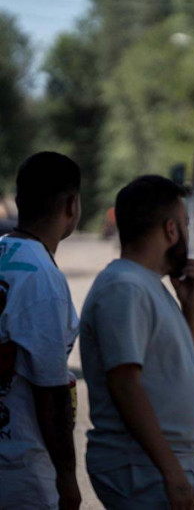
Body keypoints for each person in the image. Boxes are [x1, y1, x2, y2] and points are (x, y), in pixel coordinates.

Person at [80, 175, 194, 510]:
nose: (187, 233)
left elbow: (179, 369)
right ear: (171, 230)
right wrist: (173, 475)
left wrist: (191, 309)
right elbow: (124, 385)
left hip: (154, 464)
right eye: (185, 224)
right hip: (140, 466)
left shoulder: (146, 285)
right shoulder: (125, 288)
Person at [0, 152, 82, 510]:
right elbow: (52, 393)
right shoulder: (43, 279)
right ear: (71, 205)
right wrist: (67, 478)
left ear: (19, 202)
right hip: (19, 472)